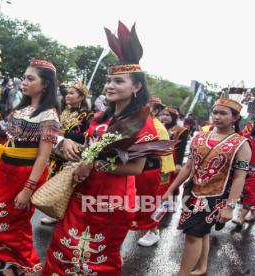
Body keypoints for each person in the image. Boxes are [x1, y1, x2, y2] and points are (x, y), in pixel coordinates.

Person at [42, 21, 159, 276]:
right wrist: (68, 145)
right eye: (108, 81)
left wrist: (92, 163)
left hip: (110, 202)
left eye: (119, 81)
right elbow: (88, 149)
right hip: (80, 192)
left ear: (137, 87)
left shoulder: (143, 122)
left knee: (94, 259)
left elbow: (137, 168)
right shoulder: (99, 119)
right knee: (63, 247)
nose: (110, 86)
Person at [0, 59, 60, 275]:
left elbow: (43, 157)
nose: (24, 82)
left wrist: (28, 188)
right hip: (3, 169)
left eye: (30, 78)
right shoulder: (22, 108)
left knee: (14, 222)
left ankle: (22, 266)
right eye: (24, 77)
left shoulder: (49, 115)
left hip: (24, 174)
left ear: (44, 84)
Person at [163, 98, 251, 276]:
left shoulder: (241, 144)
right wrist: (171, 188)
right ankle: (202, 268)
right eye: (215, 112)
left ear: (235, 118)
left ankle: (183, 273)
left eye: (223, 113)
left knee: (192, 235)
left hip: (216, 196)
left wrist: (230, 206)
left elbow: (240, 179)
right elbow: (188, 167)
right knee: (202, 232)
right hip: (193, 193)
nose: (217, 116)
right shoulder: (200, 137)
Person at [41, 81, 93, 225]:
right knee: (53, 181)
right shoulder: (64, 111)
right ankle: (55, 212)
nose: (67, 96)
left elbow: (86, 137)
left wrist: (66, 134)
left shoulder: (88, 115)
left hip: (71, 155)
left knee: (66, 185)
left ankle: (64, 214)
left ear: (81, 97)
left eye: (71, 93)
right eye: (67, 93)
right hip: (57, 152)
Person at [137, 98, 175, 246]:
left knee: (154, 202)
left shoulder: (158, 128)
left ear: (156, 111)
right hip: (141, 169)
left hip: (159, 171)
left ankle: (153, 232)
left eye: (149, 107)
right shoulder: (139, 123)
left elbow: (162, 154)